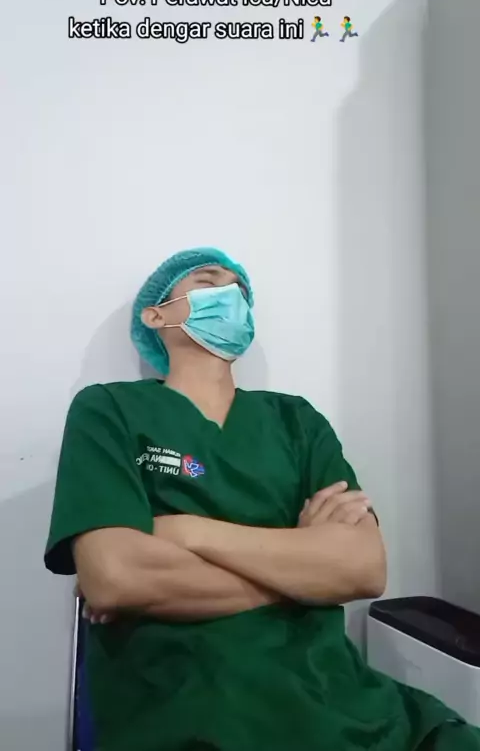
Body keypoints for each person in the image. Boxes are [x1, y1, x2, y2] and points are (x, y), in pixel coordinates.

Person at [44, 247, 480, 751]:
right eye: (209, 282)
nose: (230, 296)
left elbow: (364, 570)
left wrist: (187, 531)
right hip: (190, 709)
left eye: (240, 292)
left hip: (347, 702)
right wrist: (305, 565)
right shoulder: (108, 409)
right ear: (156, 316)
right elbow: (117, 578)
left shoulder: (297, 421)